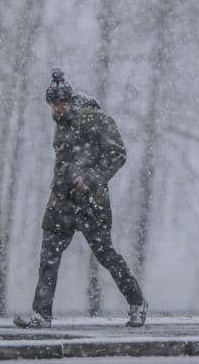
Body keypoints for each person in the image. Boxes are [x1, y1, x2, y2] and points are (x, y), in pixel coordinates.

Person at [15, 67, 147, 328]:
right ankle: (41, 315)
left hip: (90, 201)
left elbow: (117, 153)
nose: (56, 109)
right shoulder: (62, 124)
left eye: (60, 103)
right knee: (48, 255)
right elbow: (67, 159)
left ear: (69, 99)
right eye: (53, 104)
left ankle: (137, 302)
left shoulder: (95, 119)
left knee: (105, 254)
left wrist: (90, 179)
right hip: (61, 200)